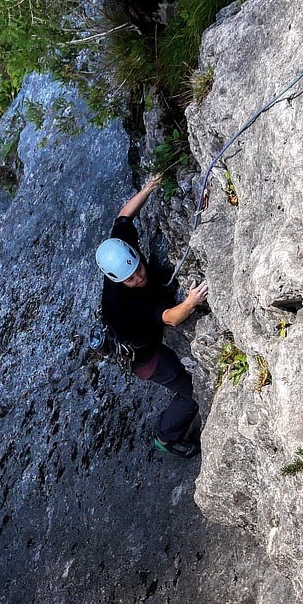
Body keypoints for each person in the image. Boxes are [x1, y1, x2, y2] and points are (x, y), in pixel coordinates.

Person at [96, 172, 209, 459]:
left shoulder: (121, 254)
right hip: (146, 358)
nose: (139, 276)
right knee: (190, 392)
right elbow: (171, 318)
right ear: (117, 279)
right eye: (132, 278)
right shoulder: (124, 302)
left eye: (139, 269)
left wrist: (148, 188)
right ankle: (166, 437)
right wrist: (192, 301)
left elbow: (123, 217)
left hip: (136, 337)